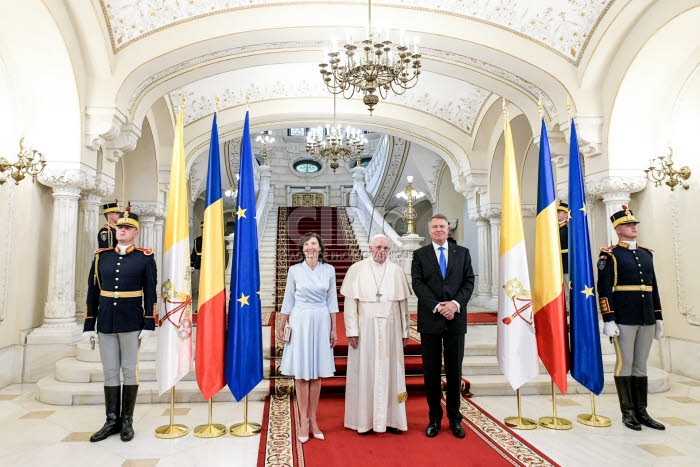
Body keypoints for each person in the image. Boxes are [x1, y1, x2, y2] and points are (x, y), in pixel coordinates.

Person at [83, 208, 157, 442]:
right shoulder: (101, 257)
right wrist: (88, 325)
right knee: (110, 370)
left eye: (126, 228)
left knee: (128, 369)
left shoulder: (144, 258)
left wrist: (148, 323)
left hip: (130, 319)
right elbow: (93, 291)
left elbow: (151, 291)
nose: (121, 231)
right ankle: (111, 420)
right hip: (105, 320)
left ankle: (127, 420)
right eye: (119, 228)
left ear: (135, 232)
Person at [597, 205, 664, 432]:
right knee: (624, 364)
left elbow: (653, 287)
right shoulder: (610, 255)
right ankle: (627, 411)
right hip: (624, 317)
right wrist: (609, 318)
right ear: (617, 229)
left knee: (641, 365)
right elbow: (604, 288)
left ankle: (641, 411)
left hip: (646, 316)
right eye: (628, 224)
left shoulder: (646, 254)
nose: (633, 227)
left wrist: (658, 316)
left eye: (634, 224)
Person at [341, 234, 412, 435]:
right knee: (365, 371)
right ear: (370, 248)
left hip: (391, 329)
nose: (382, 251)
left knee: (393, 373)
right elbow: (350, 304)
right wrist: (352, 330)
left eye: (386, 248)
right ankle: (364, 421)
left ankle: (394, 420)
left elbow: (403, 305)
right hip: (365, 329)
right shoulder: (357, 270)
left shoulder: (396, 271)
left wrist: (405, 331)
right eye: (379, 247)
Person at [411, 214, 475, 439]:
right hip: (431, 319)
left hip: (455, 320)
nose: (438, 229)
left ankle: (455, 419)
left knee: (455, 370)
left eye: (442, 226)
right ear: (429, 230)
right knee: (431, 372)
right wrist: (438, 306)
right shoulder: (420, 255)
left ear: (448, 230)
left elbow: (469, 281)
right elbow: (417, 284)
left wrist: (455, 304)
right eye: (434, 226)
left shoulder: (463, 253)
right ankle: (434, 418)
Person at [276, 232, 338, 443]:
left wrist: (334, 329)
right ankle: (303, 420)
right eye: (307, 244)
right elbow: (288, 299)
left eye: (314, 244)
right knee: (302, 373)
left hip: (321, 320)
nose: (310, 247)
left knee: (317, 373)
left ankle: (314, 419)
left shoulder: (328, 269)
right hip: (300, 319)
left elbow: (332, 301)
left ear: (320, 248)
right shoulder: (294, 270)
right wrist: (282, 322)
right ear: (302, 249)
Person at [190, 221, 203, 309]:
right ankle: (199, 305)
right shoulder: (197, 239)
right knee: (199, 285)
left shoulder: (212, 239)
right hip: (198, 264)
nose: (203, 229)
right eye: (202, 228)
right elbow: (194, 252)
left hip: (208, 265)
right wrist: (192, 264)